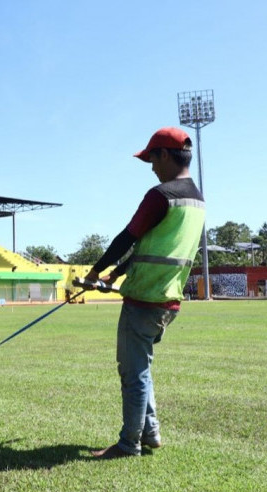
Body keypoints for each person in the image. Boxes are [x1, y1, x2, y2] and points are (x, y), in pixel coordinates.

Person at [84, 127, 205, 460]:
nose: (151, 167)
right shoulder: (196, 201)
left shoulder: (160, 195)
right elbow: (153, 246)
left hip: (144, 299)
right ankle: (150, 434)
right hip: (169, 300)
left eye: (152, 158)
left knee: (132, 372)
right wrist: (118, 272)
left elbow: (128, 236)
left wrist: (94, 271)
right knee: (142, 367)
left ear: (165, 155)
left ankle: (128, 444)